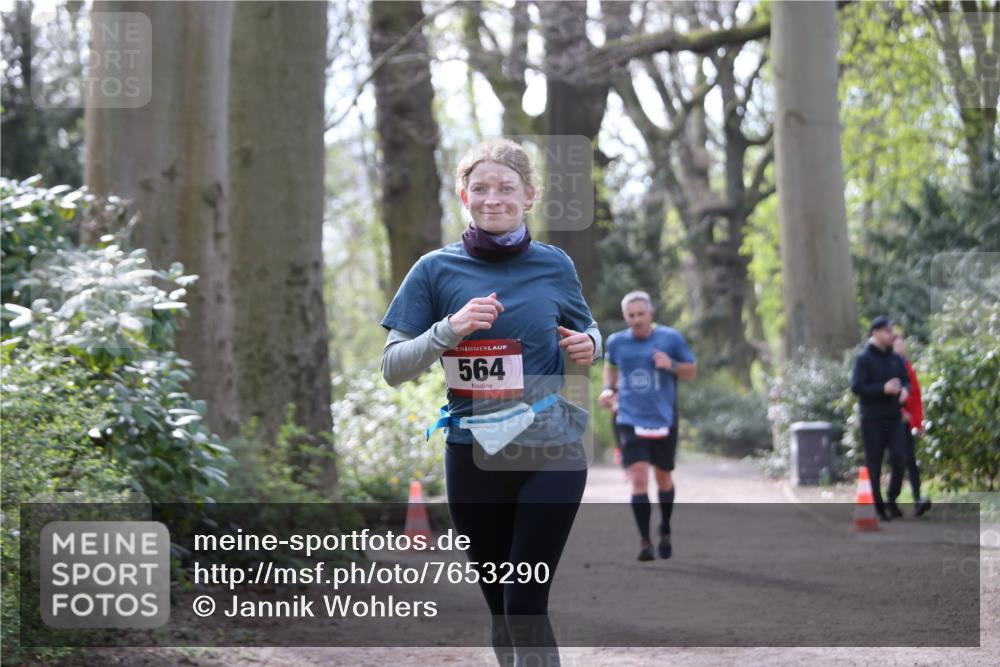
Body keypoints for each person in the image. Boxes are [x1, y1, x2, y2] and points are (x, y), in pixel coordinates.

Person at [380, 138, 601, 667]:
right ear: (463, 195)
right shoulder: (434, 270)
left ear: (529, 195)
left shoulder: (555, 264)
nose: (492, 198)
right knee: (501, 609)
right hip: (473, 452)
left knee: (525, 601)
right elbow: (393, 367)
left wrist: (592, 342)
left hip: (552, 447)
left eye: (506, 188)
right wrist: (448, 330)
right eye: (480, 188)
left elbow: (586, 324)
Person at [599, 291, 696, 561]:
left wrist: (671, 364)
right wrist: (609, 390)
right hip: (629, 417)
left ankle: (665, 528)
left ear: (651, 313)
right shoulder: (617, 342)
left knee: (663, 478)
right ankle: (645, 542)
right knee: (639, 478)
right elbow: (611, 368)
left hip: (664, 418)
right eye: (631, 316)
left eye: (641, 314)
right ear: (625, 317)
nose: (636, 320)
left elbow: (691, 371)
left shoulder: (671, 338)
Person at [850, 316, 910, 521]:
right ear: (875, 332)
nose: (890, 334)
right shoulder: (863, 359)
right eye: (887, 331)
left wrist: (904, 390)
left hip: (893, 417)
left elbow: (905, 379)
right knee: (874, 464)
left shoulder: (895, 358)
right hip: (872, 419)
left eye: (891, 330)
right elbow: (857, 387)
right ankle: (878, 506)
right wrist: (882, 389)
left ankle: (892, 499)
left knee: (899, 459)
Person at [893, 331, 932, 516]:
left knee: (910, 461)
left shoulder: (907, 367)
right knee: (898, 462)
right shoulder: (889, 366)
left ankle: (917, 500)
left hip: (906, 423)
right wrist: (900, 412)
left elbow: (916, 396)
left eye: (902, 344)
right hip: (891, 423)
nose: (901, 348)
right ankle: (890, 501)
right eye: (897, 345)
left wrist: (918, 421)